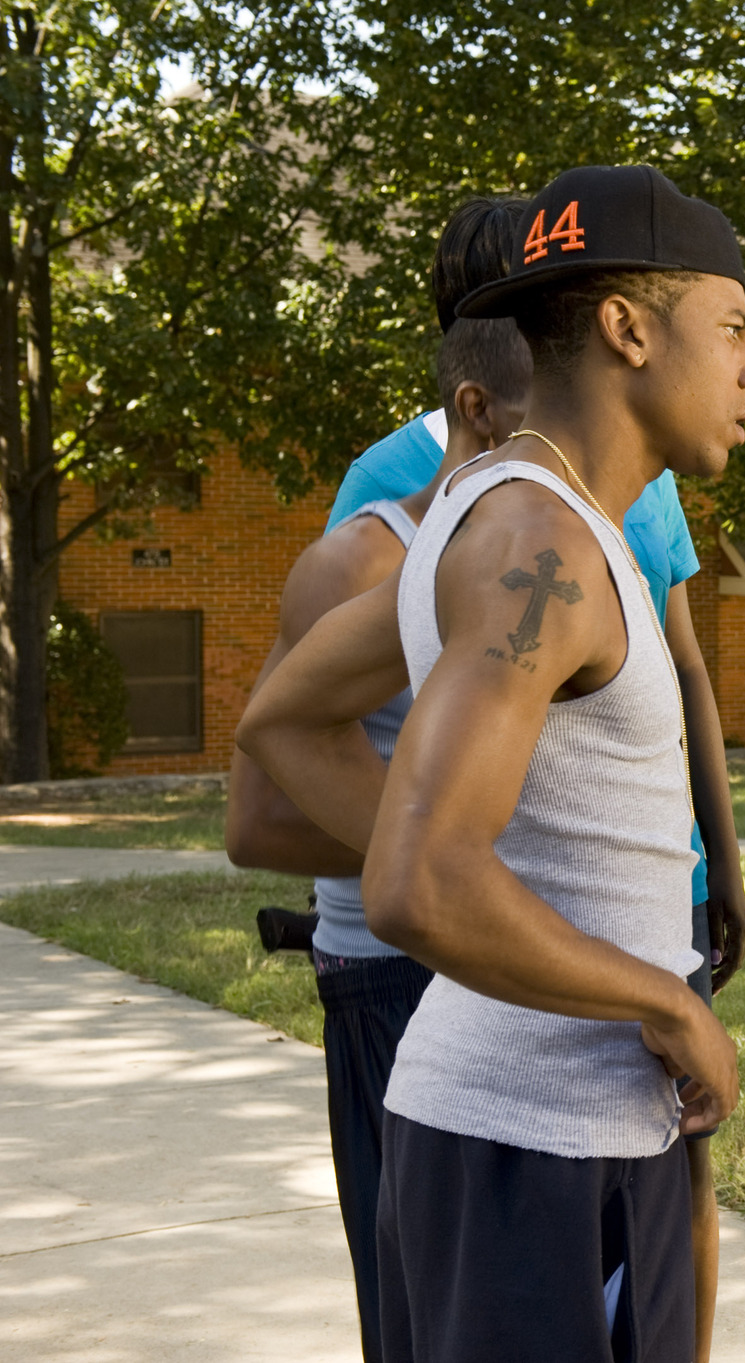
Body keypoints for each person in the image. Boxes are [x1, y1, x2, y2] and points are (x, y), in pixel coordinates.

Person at [238, 164, 745, 1361]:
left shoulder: (526, 515)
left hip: (580, 1134)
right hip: (526, 1149)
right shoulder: (537, 543)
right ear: (628, 329)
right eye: (732, 330)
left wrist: (515, 882)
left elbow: (281, 716)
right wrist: (661, 998)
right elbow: (417, 885)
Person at [224, 194, 531, 1363]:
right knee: (428, 1324)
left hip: (527, 964)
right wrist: (447, 858)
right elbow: (257, 819)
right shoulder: (366, 549)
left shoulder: (567, 534)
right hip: (396, 984)